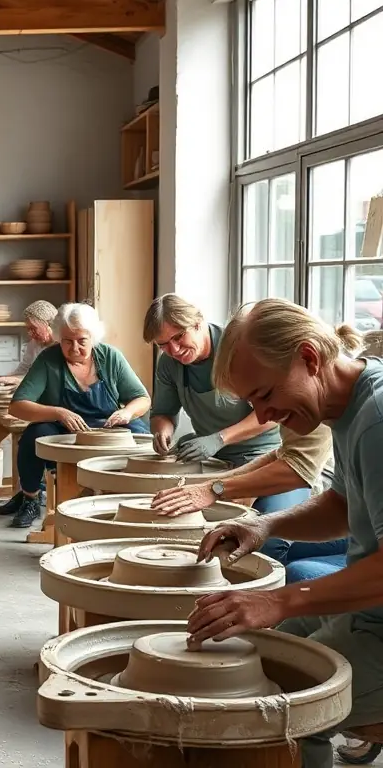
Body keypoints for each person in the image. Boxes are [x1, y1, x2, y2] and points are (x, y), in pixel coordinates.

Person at [185, 298, 383, 768]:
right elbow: (342, 506)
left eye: (265, 394)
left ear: (310, 358)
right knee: (256, 654)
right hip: (369, 609)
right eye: (253, 402)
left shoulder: (377, 418)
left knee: (271, 703)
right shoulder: (345, 405)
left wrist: (277, 600)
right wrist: (264, 524)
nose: (264, 416)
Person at [143, 294, 297, 518]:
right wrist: (162, 432)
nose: (174, 350)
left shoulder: (239, 348)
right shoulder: (168, 364)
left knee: (263, 526)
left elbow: (274, 413)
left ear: (198, 323)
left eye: (178, 337)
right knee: (172, 509)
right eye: (163, 345)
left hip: (265, 456)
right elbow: (164, 412)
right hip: (213, 460)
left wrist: (218, 438)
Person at [4, 303, 151, 529]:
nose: (74, 348)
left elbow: (142, 398)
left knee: (142, 436)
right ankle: (30, 498)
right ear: (58, 338)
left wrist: (127, 412)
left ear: (93, 337)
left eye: (82, 341)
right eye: (67, 341)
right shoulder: (48, 359)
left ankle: (135, 500)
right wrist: (57, 412)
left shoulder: (111, 357)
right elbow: (17, 406)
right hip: (62, 429)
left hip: (107, 427)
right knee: (33, 436)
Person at [152, 424, 347, 582]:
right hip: (341, 499)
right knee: (253, 542)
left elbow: (297, 468)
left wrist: (216, 489)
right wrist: (204, 486)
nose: (262, 418)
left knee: (286, 562)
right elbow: (282, 454)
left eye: (263, 396)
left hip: (355, 519)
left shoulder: (371, 410)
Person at [0, 299, 58, 388]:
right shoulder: (33, 344)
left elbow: (53, 380)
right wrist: (6, 378)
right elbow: (24, 368)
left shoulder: (63, 345)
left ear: (49, 325)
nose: (30, 333)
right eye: (28, 329)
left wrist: (18, 381)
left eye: (33, 328)